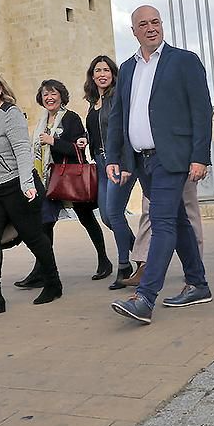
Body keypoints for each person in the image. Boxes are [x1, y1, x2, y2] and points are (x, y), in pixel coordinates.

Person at [108, 5, 213, 325]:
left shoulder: (184, 61)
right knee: (178, 220)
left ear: (161, 25)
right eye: (143, 24)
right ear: (134, 31)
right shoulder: (126, 68)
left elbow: (202, 110)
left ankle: (145, 297)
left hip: (173, 158)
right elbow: (119, 117)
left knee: (162, 220)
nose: (151, 27)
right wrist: (115, 157)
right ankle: (198, 283)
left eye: (155, 22)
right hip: (143, 161)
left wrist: (200, 156)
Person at [0, 68, 62, 315]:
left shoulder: (10, 114)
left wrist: (27, 185)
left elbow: (22, 151)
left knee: (33, 236)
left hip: (17, 186)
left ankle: (53, 283)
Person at [17, 79, 112, 288]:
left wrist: (53, 142)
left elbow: (77, 149)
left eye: (53, 93)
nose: (49, 98)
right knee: (45, 224)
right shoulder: (43, 121)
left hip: (70, 178)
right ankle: (41, 270)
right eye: (45, 94)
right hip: (48, 180)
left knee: (87, 219)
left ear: (61, 96)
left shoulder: (71, 118)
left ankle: (104, 261)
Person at [83, 55, 138, 289]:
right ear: (92, 75)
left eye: (106, 70)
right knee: (106, 216)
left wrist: (125, 164)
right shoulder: (94, 101)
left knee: (114, 213)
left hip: (118, 162)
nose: (102, 74)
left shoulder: (117, 97)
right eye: (98, 70)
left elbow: (123, 131)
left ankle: (124, 265)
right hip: (100, 162)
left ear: (113, 74)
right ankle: (144, 255)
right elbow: (99, 131)